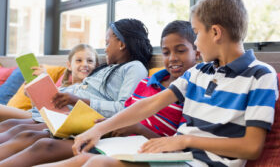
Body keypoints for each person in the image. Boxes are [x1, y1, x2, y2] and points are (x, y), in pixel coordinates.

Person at [51, 0, 277, 167]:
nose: (196, 43)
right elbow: (150, 103)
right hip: (174, 156)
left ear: (216, 33)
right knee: (85, 158)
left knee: (97, 163)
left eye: (196, 33)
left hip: (200, 163)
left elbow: (251, 147)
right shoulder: (199, 72)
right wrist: (98, 130)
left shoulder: (260, 75)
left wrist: (184, 140)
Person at [34, 20, 200, 167]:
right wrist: (109, 124)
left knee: (58, 149)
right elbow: (124, 115)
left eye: (180, 51)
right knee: (43, 141)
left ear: (197, 52)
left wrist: (138, 128)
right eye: (166, 52)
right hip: (114, 141)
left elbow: (178, 143)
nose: (172, 58)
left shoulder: (193, 93)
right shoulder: (145, 84)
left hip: (146, 149)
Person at [0, 18, 153, 166]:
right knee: (15, 125)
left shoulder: (135, 67)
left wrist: (75, 100)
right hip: (63, 114)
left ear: (120, 44)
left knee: (30, 136)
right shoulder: (106, 68)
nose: (105, 48)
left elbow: (124, 109)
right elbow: (77, 91)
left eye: (107, 43)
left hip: (82, 121)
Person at [0, 43, 99, 156]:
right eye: (79, 60)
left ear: (96, 65)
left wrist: (45, 83)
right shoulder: (63, 88)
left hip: (50, 119)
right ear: (69, 65)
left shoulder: (89, 90)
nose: (85, 64)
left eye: (90, 61)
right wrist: (34, 93)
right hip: (38, 115)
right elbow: (37, 108)